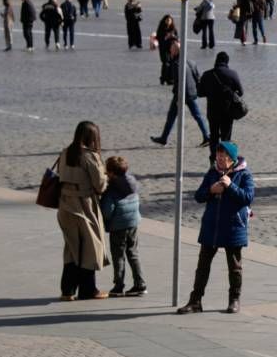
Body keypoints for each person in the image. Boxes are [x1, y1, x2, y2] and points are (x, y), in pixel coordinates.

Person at [180, 141, 253, 314]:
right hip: (211, 226)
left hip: (233, 227)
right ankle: (195, 301)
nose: (219, 159)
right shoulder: (212, 173)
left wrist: (230, 186)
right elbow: (198, 196)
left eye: (223, 156)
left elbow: (247, 197)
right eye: (218, 156)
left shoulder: (244, 175)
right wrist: (210, 191)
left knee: (234, 267)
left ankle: (234, 300)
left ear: (231, 159)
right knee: (202, 266)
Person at [51, 121, 109, 302]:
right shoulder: (90, 156)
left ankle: (67, 290)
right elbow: (100, 185)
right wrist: (106, 176)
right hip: (84, 205)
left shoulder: (65, 152)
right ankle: (88, 289)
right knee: (90, 248)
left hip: (65, 205)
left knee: (72, 248)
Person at [101, 156, 145, 297]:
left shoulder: (112, 189)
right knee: (133, 253)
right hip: (133, 223)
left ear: (112, 173)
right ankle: (140, 284)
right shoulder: (131, 182)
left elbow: (107, 211)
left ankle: (118, 286)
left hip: (118, 226)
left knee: (118, 256)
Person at [150, 51, 211, 148]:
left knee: (171, 116)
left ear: (175, 53)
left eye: (171, 50)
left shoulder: (176, 64)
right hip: (192, 93)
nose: (170, 52)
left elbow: (177, 82)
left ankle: (163, 139)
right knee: (198, 116)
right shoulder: (191, 62)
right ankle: (206, 136)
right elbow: (198, 78)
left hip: (181, 94)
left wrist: (177, 95)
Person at [197, 51, 245, 149]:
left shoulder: (207, 74)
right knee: (226, 137)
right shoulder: (232, 74)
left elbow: (200, 93)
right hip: (227, 111)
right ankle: (225, 157)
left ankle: (213, 156)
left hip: (212, 111)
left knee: (214, 136)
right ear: (227, 62)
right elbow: (241, 92)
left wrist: (210, 92)